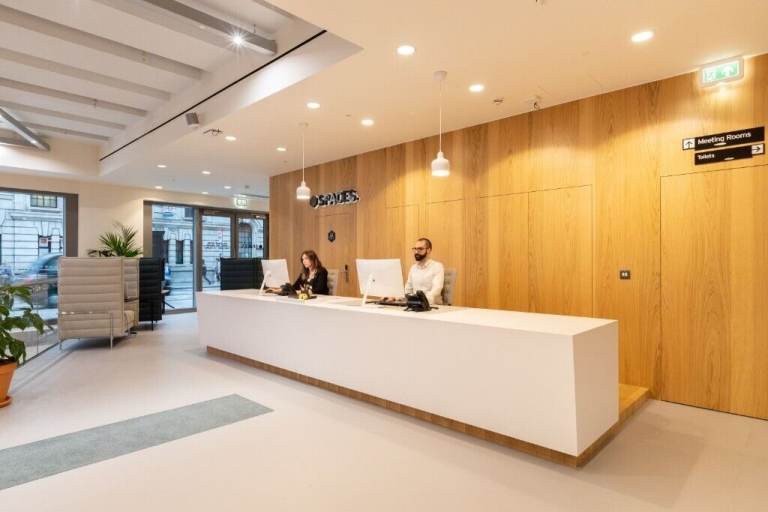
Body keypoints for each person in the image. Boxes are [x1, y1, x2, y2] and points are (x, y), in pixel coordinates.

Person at [403, 237, 444, 305]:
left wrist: (422, 300)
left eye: (420, 249)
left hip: (432, 306)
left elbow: (437, 290)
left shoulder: (437, 266)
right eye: (415, 249)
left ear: (428, 250)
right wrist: (404, 298)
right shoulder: (413, 268)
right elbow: (408, 289)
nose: (416, 252)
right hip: (415, 305)